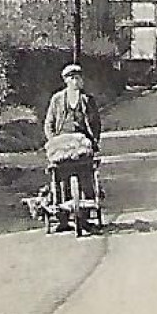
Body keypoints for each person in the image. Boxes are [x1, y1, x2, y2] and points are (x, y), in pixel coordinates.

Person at [44, 64, 102, 227]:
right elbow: (49, 123)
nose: (75, 81)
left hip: (81, 140)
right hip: (62, 141)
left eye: (78, 78)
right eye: (72, 78)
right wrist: (52, 139)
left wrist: (94, 140)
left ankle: (84, 216)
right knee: (60, 176)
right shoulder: (57, 99)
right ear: (66, 81)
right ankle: (62, 217)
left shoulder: (87, 100)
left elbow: (96, 123)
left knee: (86, 174)